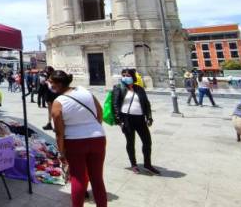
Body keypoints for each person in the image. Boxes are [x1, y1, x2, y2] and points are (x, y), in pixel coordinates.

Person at [50, 70, 107, 207]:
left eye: (51, 82)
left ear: (58, 84)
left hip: (75, 142)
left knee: (78, 178)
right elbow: (100, 113)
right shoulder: (85, 91)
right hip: (98, 138)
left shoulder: (58, 102)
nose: (50, 85)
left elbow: (59, 132)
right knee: (97, 178)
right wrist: (92, 128)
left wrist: (61, 151)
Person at [113, 69, 159, 175]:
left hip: (140, 119)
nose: (125, 77)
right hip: (127, 119)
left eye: (127, 75)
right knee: (130, 142)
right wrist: (119, 121)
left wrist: (149, 117)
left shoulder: (139, 89)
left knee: (147, 142)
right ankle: (133, 164)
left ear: (133, 76)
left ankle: (147, 164)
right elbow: (115, 105)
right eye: (123, 75)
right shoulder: (119, 88)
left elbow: (146, 104)